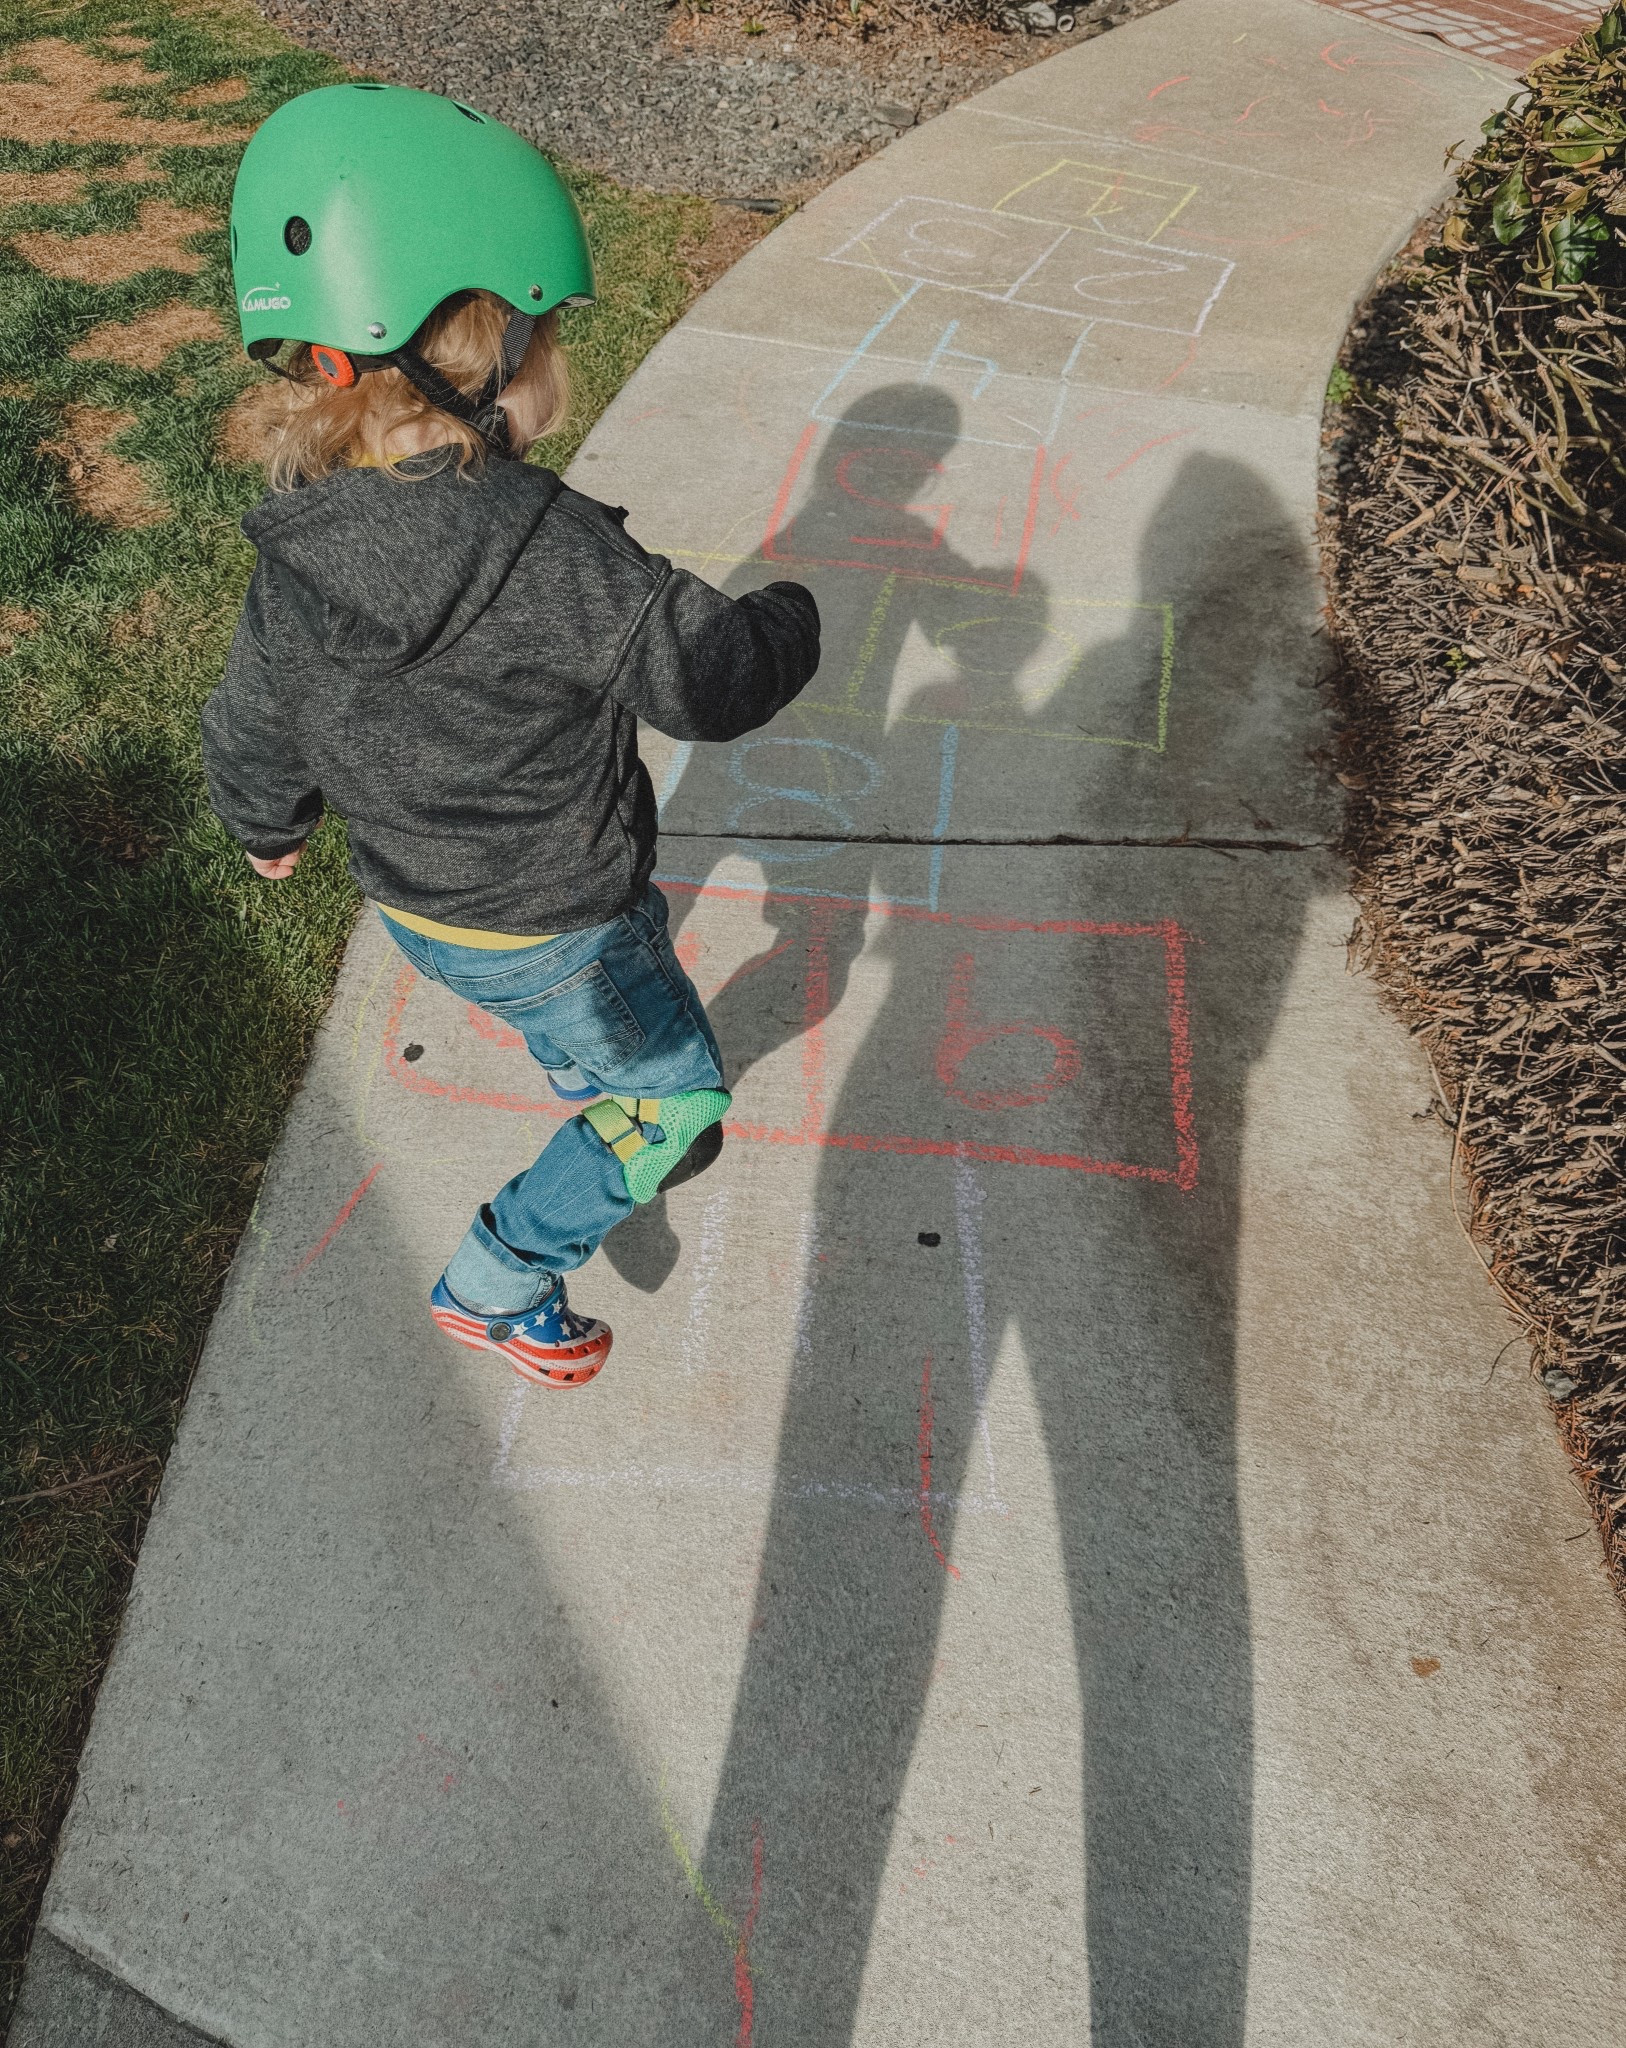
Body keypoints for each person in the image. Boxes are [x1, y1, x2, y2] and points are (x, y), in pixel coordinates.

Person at [201, 82, 820, 1388]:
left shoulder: (301, 545)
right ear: (479, 360)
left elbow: (255, 711)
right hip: (562, 924)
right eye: (547, 335)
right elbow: (711, 684)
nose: (557, 365)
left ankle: (585, 1081)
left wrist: (265, 824)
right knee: (678, 1103)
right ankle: (504, 1273)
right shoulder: (552, 551)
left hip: (419, 909)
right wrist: (789, 616)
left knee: (568, 1019)